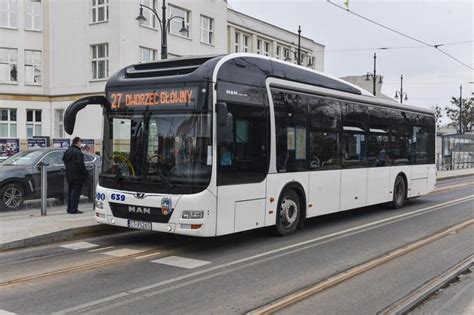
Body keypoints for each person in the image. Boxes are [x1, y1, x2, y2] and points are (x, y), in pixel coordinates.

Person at [62, 137, 88, 214]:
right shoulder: (78, 152)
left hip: (69, 175)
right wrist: (85, 174)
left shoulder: (68, 151)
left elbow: (64, 160)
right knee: (76, 193)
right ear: (77, 142)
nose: (81, 143)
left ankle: (69, 208)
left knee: (70, 192)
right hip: (77, 176)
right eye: (80, 141)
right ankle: (74, 209)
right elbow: (81, 165)